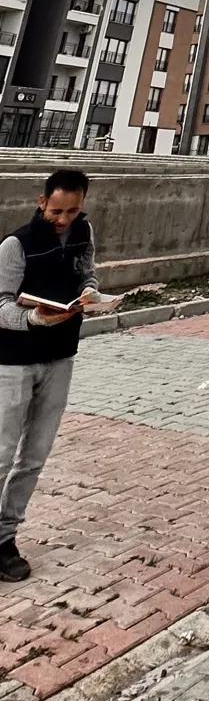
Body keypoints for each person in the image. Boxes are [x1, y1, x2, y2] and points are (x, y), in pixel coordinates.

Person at [0, 170, 100, 581]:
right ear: (42, 202)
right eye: (57, 210)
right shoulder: (16, 245)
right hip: (13, 362)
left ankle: (4, 538)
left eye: (72, 211)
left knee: (34, 456)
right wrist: (35, 320)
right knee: (1, 453)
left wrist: (92, 293)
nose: (64, 219)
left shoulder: (83, 231)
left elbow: (88, 273)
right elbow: (1, 306)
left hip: (61, 358)